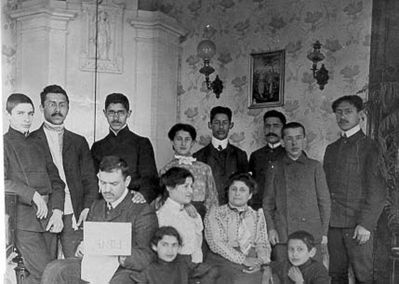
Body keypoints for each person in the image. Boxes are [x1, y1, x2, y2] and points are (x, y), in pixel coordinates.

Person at [41, 156, 158, 284]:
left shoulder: (142, 211)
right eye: (102, 183)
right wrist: (81, 247)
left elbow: (147, 256)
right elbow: (85, 237)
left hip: (124, 269)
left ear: (127, 181)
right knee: (55, 269)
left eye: (113, 184)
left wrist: (118, 255)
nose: (106, 189)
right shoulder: (97, 206)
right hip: (95, 265)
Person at [30, 85, 98, 257]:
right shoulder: (30, 141)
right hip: (43, 211)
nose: (57, 109)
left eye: (62, 105)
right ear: (41, 108)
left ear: (68, 108)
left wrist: (87, 207)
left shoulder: (78, 141)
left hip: (74, 213)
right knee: (46, 267)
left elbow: (90, 179)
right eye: (52, 104)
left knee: (75, 265)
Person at [323, 95, 386, 284]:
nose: (343, 116)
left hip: (358, 224)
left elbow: (377, 190)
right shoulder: (331, 149)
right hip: (334, 224)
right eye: (339, 112)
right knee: (336, 275)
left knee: (363, 275)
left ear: (360, 114)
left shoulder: (370, 147)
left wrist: (366, 224)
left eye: (348, 111)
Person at [4, 93, 65, 284]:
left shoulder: (39, 142)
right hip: (24, 221)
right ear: (8, 115)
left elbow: (57, 181)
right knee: (47, 274)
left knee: (45, 275)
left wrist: (57, 210)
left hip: (49, 220)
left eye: (30, 113)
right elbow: (3, 181)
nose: (27, 118)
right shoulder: (3, 143)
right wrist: (33, 195)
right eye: (20, 113)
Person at [263, 122, 330, 262]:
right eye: (289, 138)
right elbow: (268, 203)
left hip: (310, 234)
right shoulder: (275, 167)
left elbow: (324, 202)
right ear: (282, 142)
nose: (294, 143)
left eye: (298, 138)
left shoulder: (314, 166)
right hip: (283, 233)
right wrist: (271, 228)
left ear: (305, 140)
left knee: (311, 275)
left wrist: (323, 232)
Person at [205, 172, 271, 284]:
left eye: (242, 190)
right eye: (233, 189)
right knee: (241, 280)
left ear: (250, 195)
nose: (237, 193)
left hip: (251, 256)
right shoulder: (216, 213)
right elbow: (216, 243)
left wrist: (259, 262)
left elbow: (262, 242)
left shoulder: (257, 214)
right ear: (228, 192)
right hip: (223, 258)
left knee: (267, 277)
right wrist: (243, 260)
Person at [91, 93, 158, 203]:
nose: (116, 118)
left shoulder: (141, 143)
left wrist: (143, 194)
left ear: (129, 113)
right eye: (111, 112)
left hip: (134, 201)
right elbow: (92, 181)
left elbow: (150, 178)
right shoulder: (98, 146)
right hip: (106, 202)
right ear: (105, 113)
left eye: (121, 112)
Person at [159, 123, 218, 218]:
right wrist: (184, 205)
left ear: (193, 143)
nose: (183, 143)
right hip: (176, 216)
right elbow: (162, 199)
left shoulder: (205, 168)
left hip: (202, 216)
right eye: (179, 139)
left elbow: (212, 199)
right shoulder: (166, 170)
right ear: (172, 142)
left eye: (187, 139)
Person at [194, 106, 249, 204]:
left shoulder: (240, 155)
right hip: (208, 210)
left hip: (234, 209)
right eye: (216, 123)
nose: (221, 127)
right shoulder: (199, 156)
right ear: (210, 125)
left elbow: (246, 187)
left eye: (225, 123)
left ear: (230, 125)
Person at [131, 226, 219, 284]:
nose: (170, 250)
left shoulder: (183, 263)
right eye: (164, 245)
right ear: (154, 247)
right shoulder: (148, 270)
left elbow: (213, 270)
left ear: (179, 247)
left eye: (174, 245)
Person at [156, 167, 204, 264]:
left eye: (191, 186)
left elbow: (197, 244)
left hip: (196, 264)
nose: (190, 191)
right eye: (185, 186)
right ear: (169, 187)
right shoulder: (162, 216)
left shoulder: (191, 212)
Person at [249, 110, 286, 210]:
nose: (271, 130)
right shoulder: (256, 156)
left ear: (283, 129)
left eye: (276, 126)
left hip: (284, 210)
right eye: (267, 126)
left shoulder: (289, 154)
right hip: (260, 209)